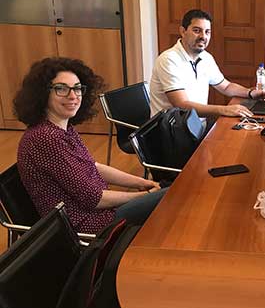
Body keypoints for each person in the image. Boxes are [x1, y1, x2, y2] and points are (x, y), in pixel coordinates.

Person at [14, 57, 167, 235]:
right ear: (42, 93)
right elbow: (94, 199)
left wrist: (143, 182)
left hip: (100, 213)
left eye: (77, 88)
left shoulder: (62, 128)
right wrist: (145, 196)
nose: (73, 96)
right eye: (61, 88)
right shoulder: (45, 138)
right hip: (88, 225)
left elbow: (92, 166)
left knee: (168, 193)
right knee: (170, 197)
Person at [149, 9, 265, 118]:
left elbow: (226, 87)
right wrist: (224, 110)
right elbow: (182, 105)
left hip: (196, 126)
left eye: (207, 32)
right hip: (173, 132)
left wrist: (250, 93)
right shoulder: (168, 60)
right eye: (197, 30)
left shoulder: (205, 57)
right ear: (183, 31)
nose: (203, 36)